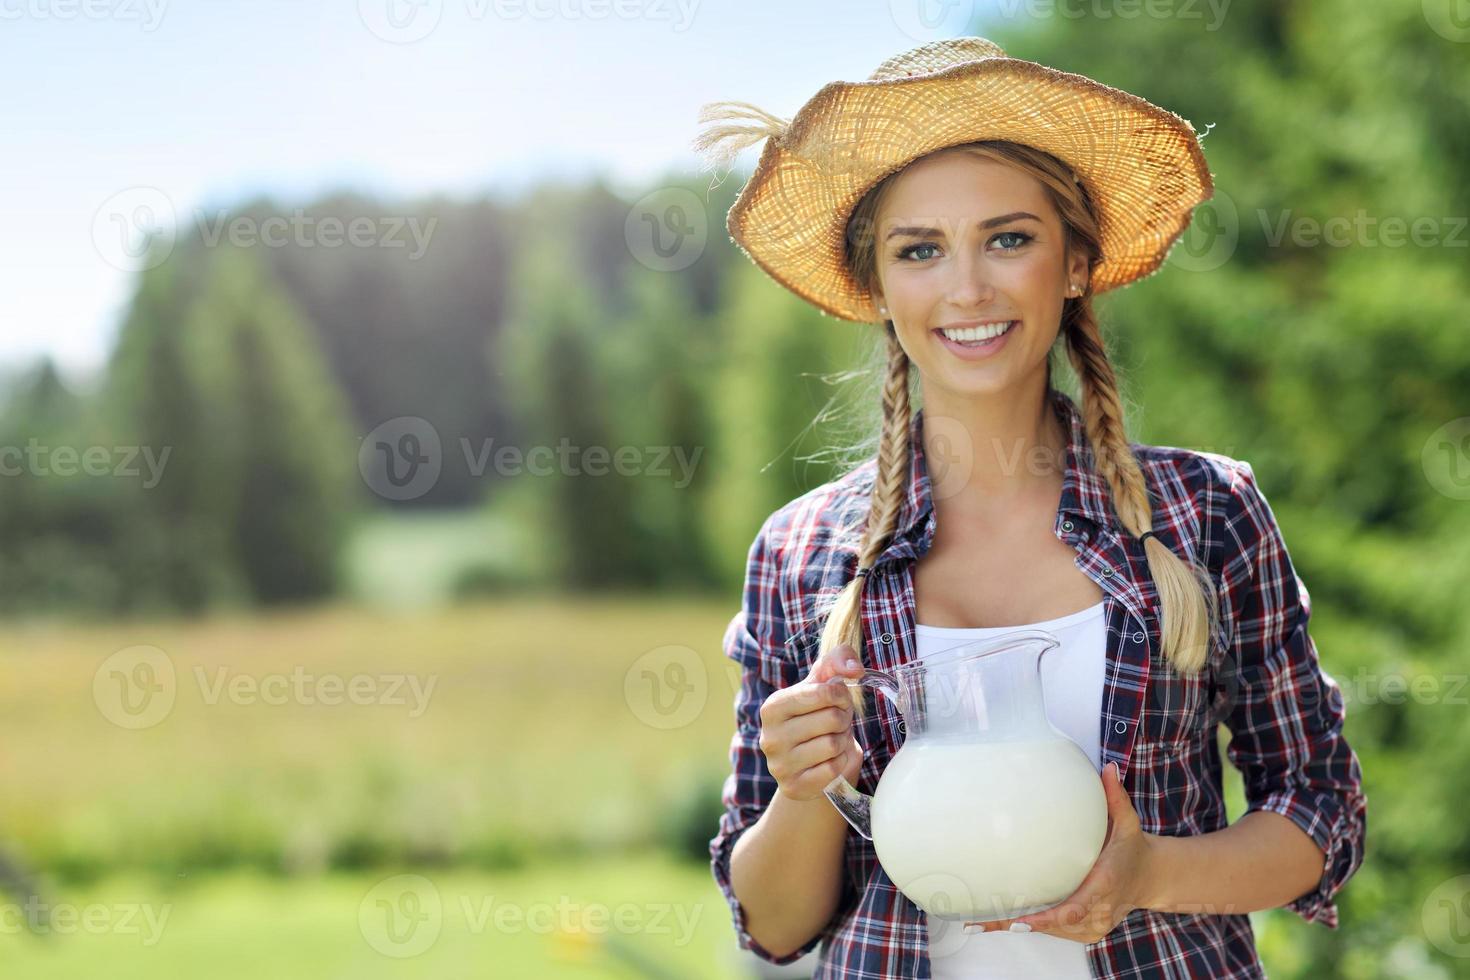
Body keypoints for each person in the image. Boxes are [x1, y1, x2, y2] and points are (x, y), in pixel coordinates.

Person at [695, 37, 1367, 979]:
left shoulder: (1205, 512)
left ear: (1077, 262)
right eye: (919, 250)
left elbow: (1320, 808)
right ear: (879, 288)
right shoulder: (802, 551)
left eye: (1008, 239)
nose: (967, 288)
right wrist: (803, 793)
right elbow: (773, 925)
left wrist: (1149, 876)